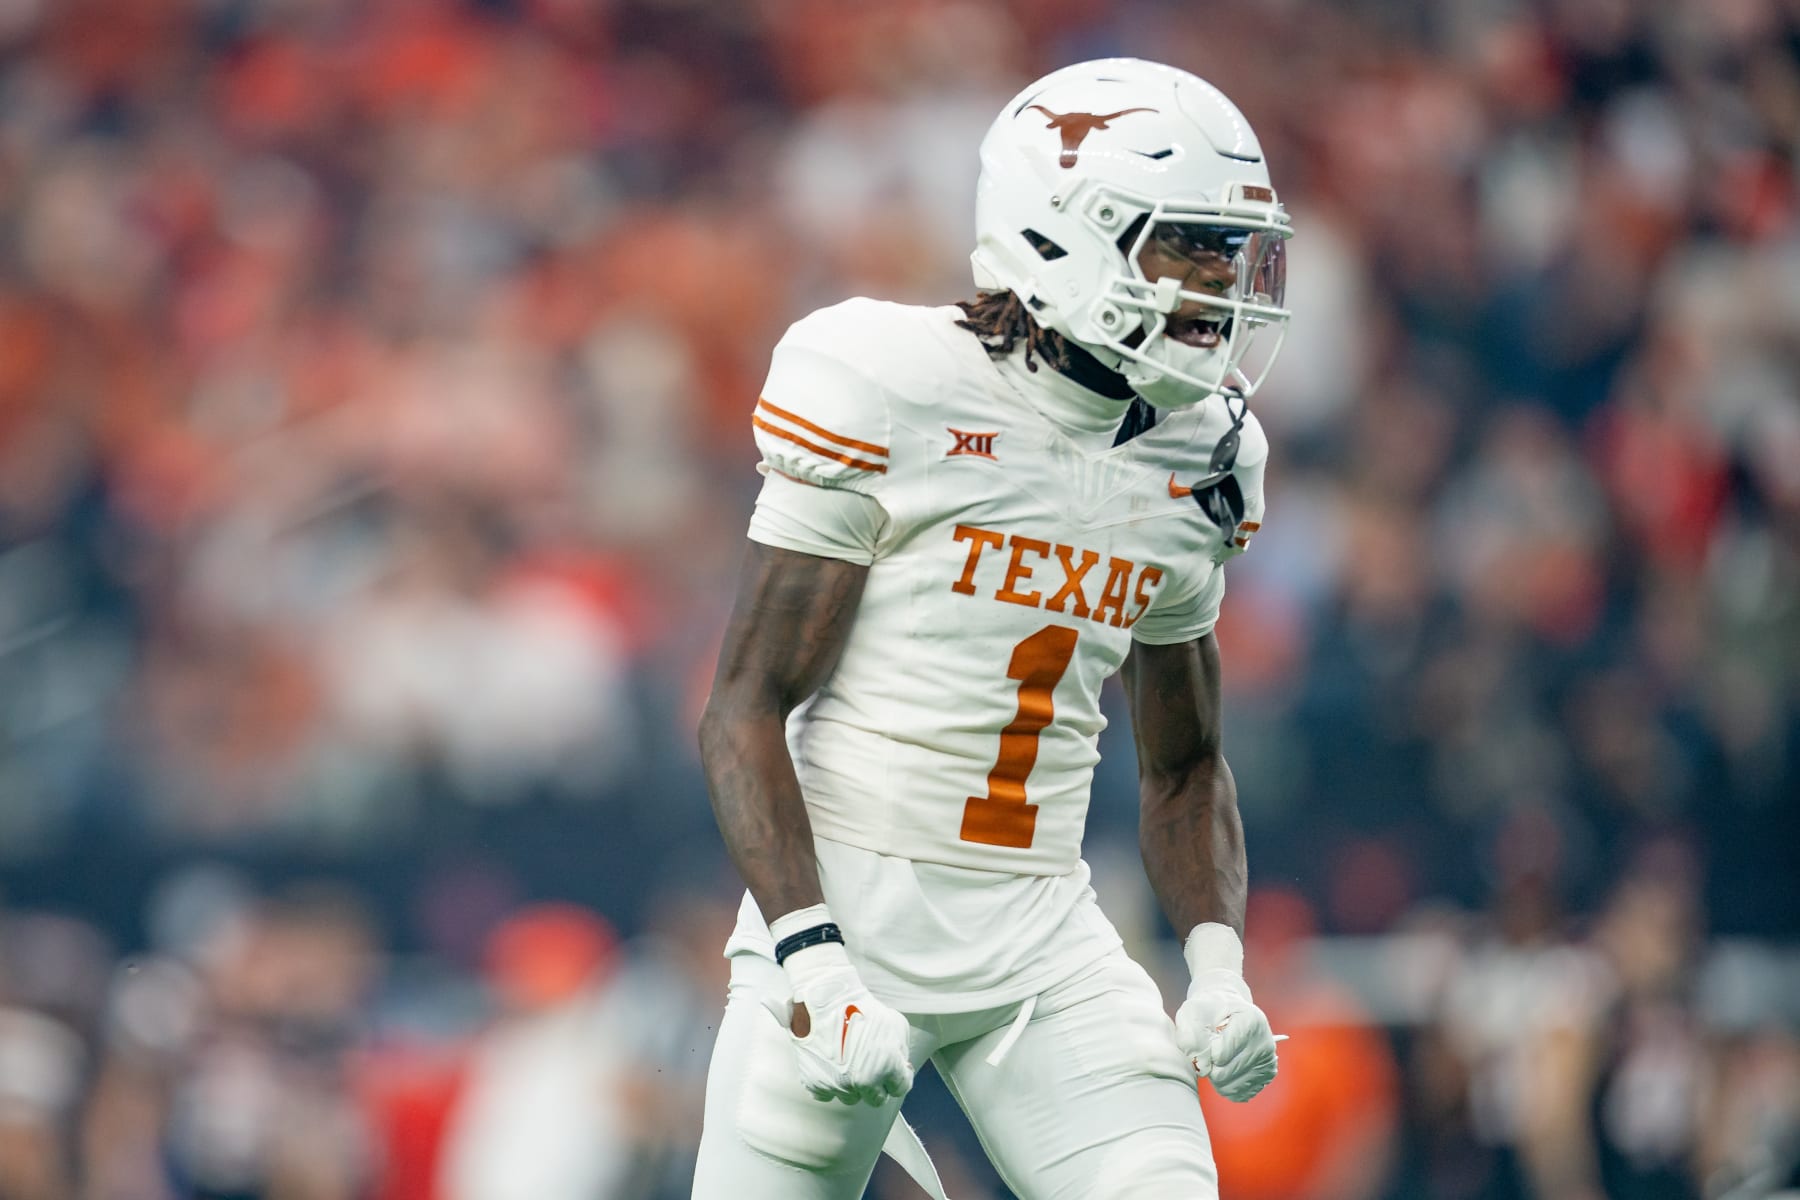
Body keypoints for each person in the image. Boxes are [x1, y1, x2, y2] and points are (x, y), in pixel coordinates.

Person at [693, 57, 1292, 1199]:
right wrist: (810, 958)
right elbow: (742, 711)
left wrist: (1216, 968)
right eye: (1189, 248)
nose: (1220, 293)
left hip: (1042, 933)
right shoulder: (890, 383)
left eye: (1231, 254)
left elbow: (1184, 763)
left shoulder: (1201, 455)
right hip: (846, 916)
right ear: (1064, 233)